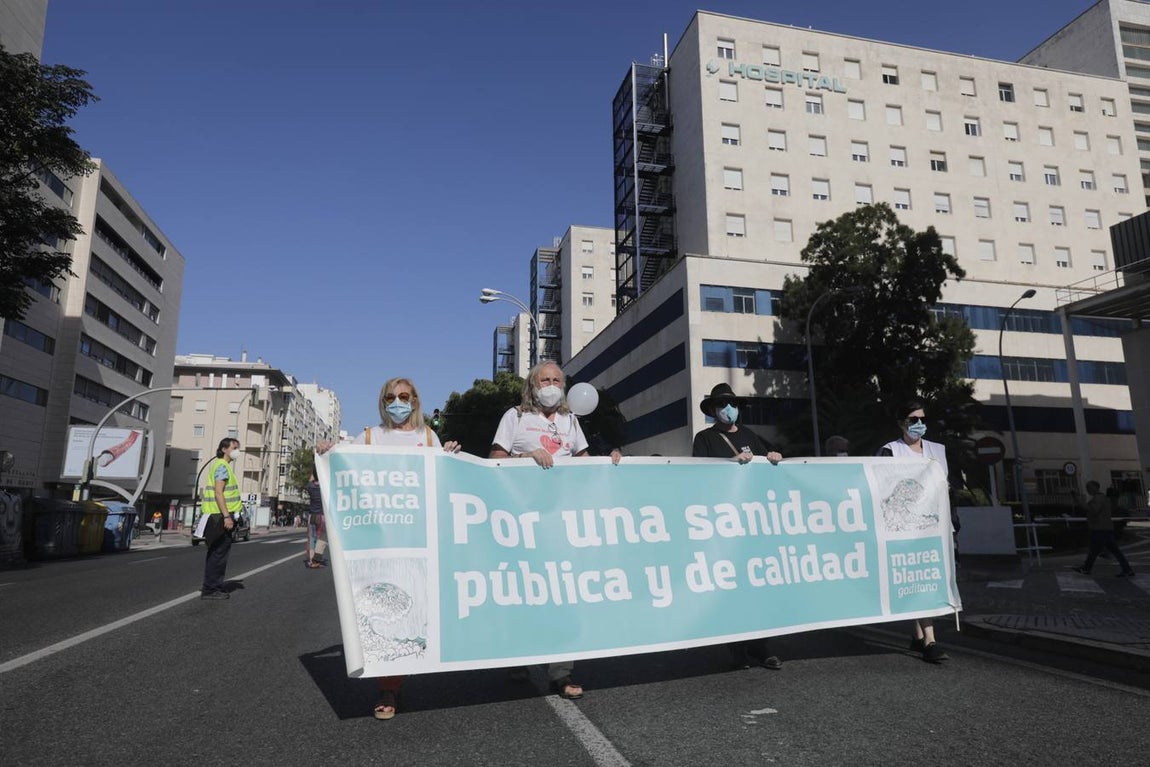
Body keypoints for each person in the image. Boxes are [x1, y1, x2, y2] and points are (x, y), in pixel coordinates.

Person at [320, 377, 460, 721]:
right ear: (383, 402)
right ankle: (389, 686)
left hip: (420, 536)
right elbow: (343, 467)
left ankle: (418, 660)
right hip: (381, 537)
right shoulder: (369, 437)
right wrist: (328, 451)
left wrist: (451, 458)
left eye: (404, 396)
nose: (397, 402)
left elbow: (443, 480)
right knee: (381, 605)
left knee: (420, 603)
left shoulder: (429, 437)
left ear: (415, 400)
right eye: (391, 397)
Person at [490, 362, 621, 699]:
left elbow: (586, 462)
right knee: (526, 593)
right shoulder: (515, 417)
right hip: (525, 522)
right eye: (544, 379)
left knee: (565, 595)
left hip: (563, 522)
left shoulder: (570, 421)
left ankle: (562, 672)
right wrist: (526, 456)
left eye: (556, 380)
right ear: (532, 385)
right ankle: (519, 654)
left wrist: (612, 460)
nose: (550, 384)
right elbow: (493, 460)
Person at [692, 383, 784, 671]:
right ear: (713, 411)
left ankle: (761, 645)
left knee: (756, 585)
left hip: (752, 522)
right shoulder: (705, 438)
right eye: (721, 405)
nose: (727, 409)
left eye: (731, 404)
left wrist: (773, 459)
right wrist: (729, 464)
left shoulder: (750, 436)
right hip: (724, 522)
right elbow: (697, 475)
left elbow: (768, 466)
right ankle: (737, 647)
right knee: (732, 587)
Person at [878, 401, 951, 663]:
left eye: (922, 418)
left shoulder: (937, 450)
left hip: (934, 526)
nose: (919, 423)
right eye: (912, 419)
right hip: (902, 528)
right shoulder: (890, 451)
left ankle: (919, 636)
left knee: (923, 579)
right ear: (901, 423)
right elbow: (882, 486)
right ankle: (930, 641)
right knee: (911, 579)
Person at [200, 437, 242, 600]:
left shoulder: (222, 466)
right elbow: (219, 493)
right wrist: (227, 516)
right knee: (218, 554)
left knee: (217, 553)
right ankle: (211, 589)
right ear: (224, 449)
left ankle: (212, 586)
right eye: (234, 447)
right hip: (219, 517)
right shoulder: (222, 466)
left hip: (218, 516)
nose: (237, 450)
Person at [1073, 480, 1135, 577]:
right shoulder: (1103, 498)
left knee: (1094, 551)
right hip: (1106, 528)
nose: (1087, 489)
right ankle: (1127, 569)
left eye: (1088, 487)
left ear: (1094, 487)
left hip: (1099, 528)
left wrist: (1077, 498)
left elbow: (1093, 510)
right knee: (1113, 551)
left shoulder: (1098, 499)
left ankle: (1086, 568)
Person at [304, 469, 326, 568]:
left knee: (311, 538)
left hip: (311, 515)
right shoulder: (325, 486)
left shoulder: (310, 486)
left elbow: (310, 480)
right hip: (322, 516)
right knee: (322, 538)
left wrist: (313, 474)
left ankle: (310, 560)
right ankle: (316, 559)